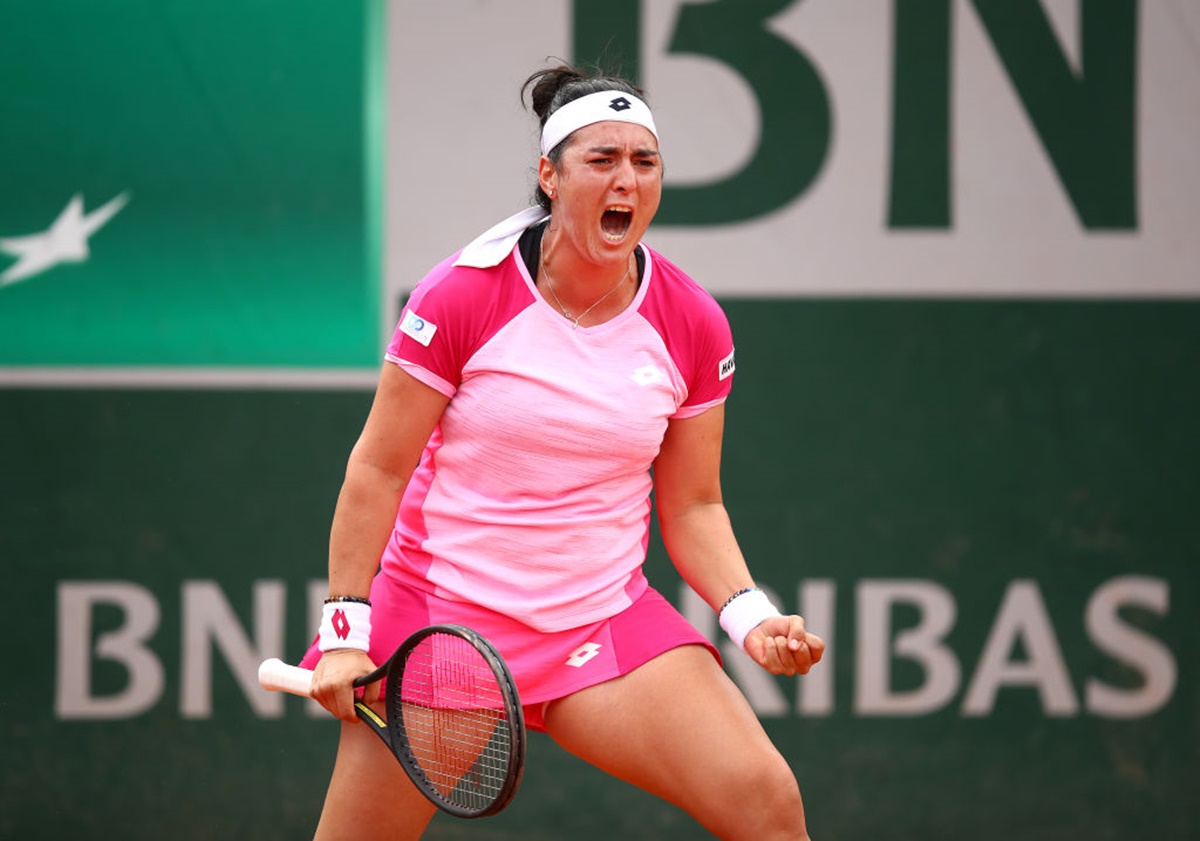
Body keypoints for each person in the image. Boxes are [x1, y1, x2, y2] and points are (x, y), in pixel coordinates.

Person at [299, 62, 825, 841]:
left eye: (645, 163)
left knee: (768, 804)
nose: (627, 181)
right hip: (444, 625)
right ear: (550, 175)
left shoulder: (692, 323)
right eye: (601, 161)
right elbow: (378, 468)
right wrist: (347, 631)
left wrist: (750, 616)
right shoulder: (461, 295)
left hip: (600, 622)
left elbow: (693, 503)